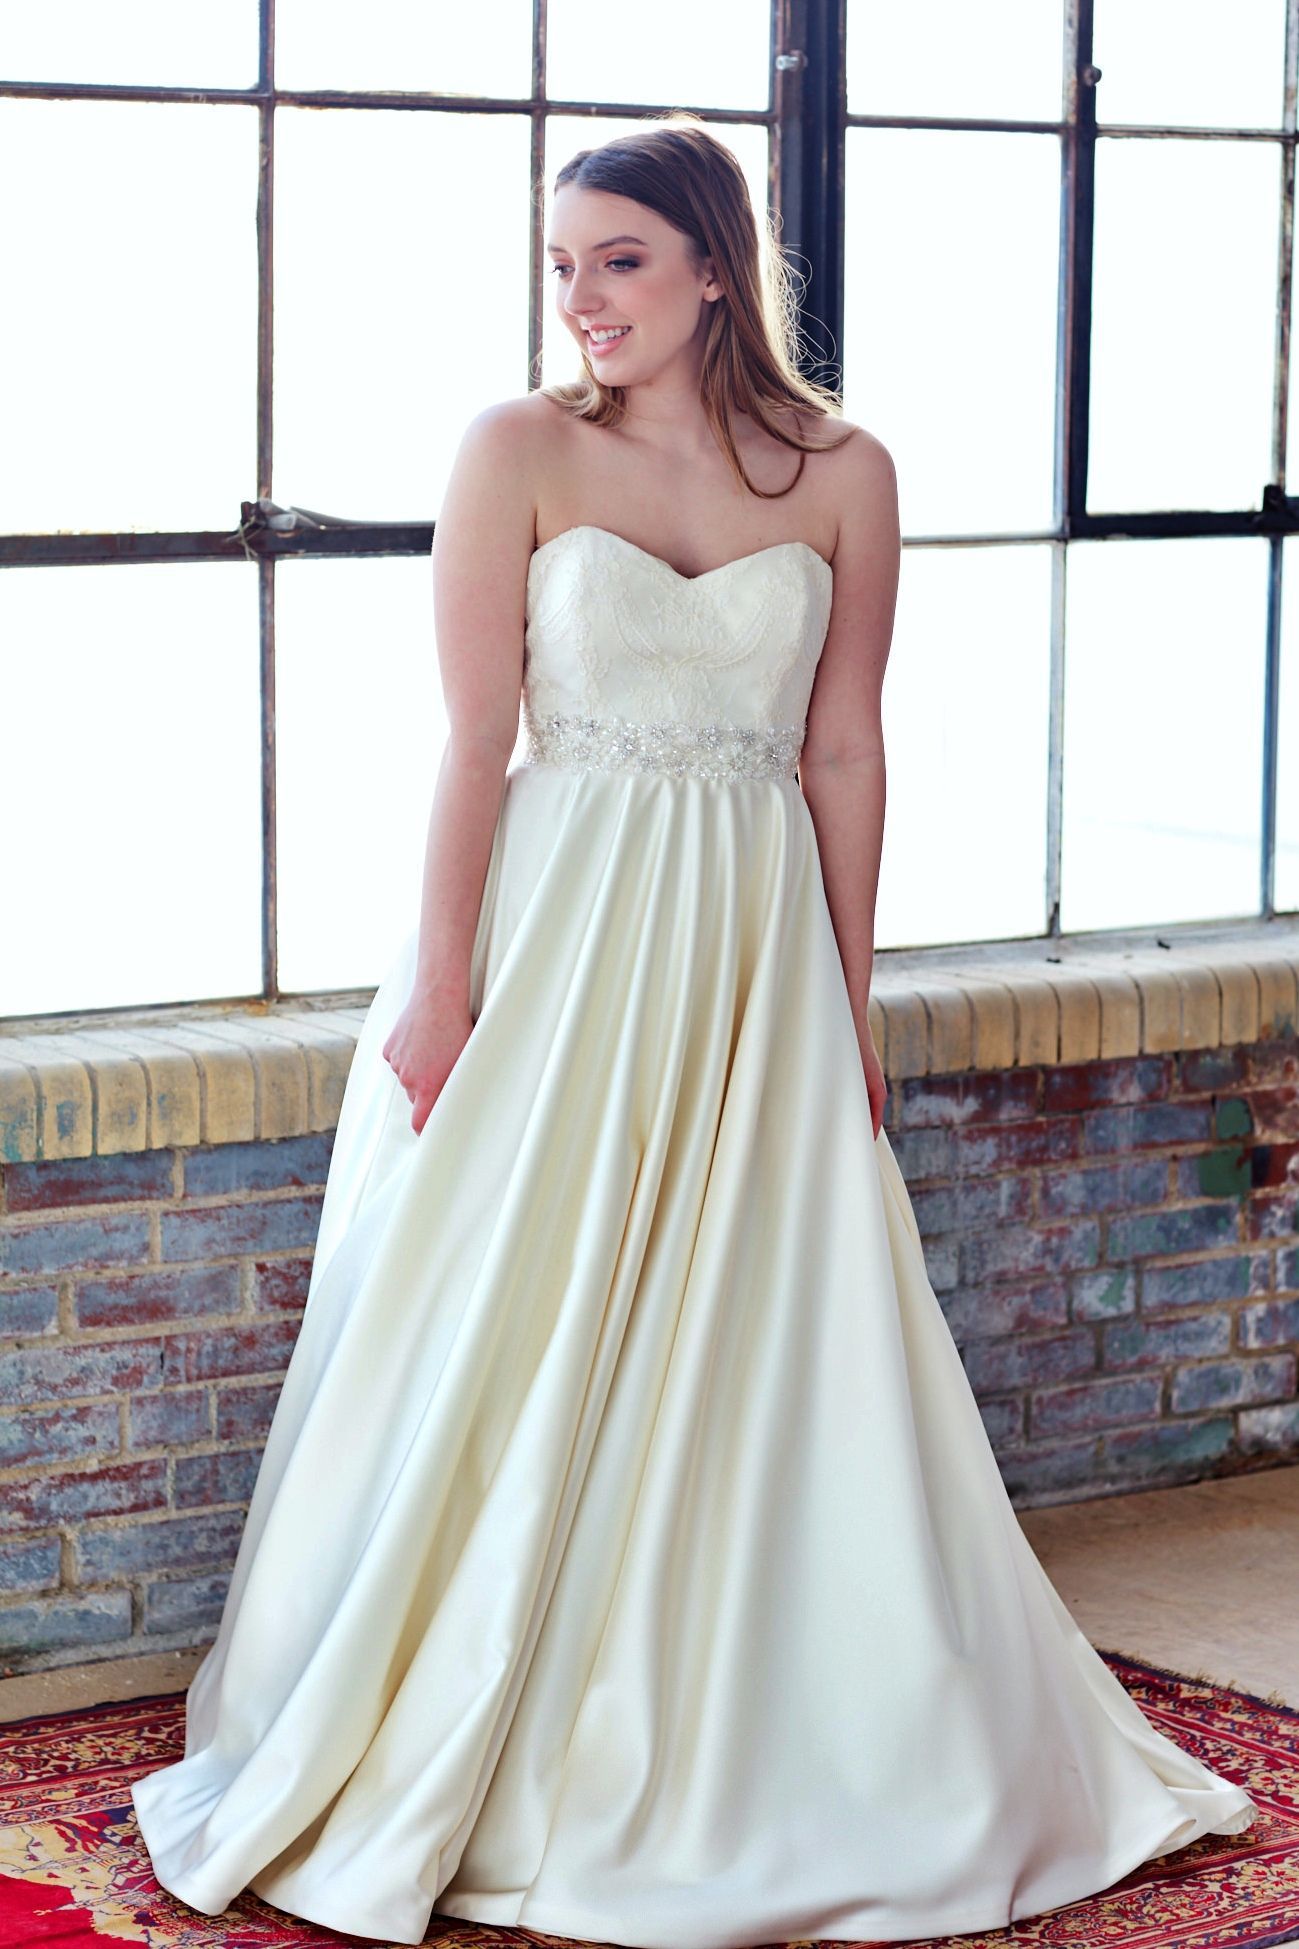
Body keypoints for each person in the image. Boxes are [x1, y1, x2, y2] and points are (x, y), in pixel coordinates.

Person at [130, 112, 1258, 1949]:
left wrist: (847, 983)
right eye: (563, 264)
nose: (581, 298)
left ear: (716, 267)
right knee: (518, 1296)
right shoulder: (513, 450)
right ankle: (467, 1703)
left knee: (763, 1305)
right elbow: (469, 738)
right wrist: (436, 983)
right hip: (561, 929)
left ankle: (758, 1716)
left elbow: (843, 748)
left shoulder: (845, 470)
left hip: (750, 943)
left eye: (620, 261)